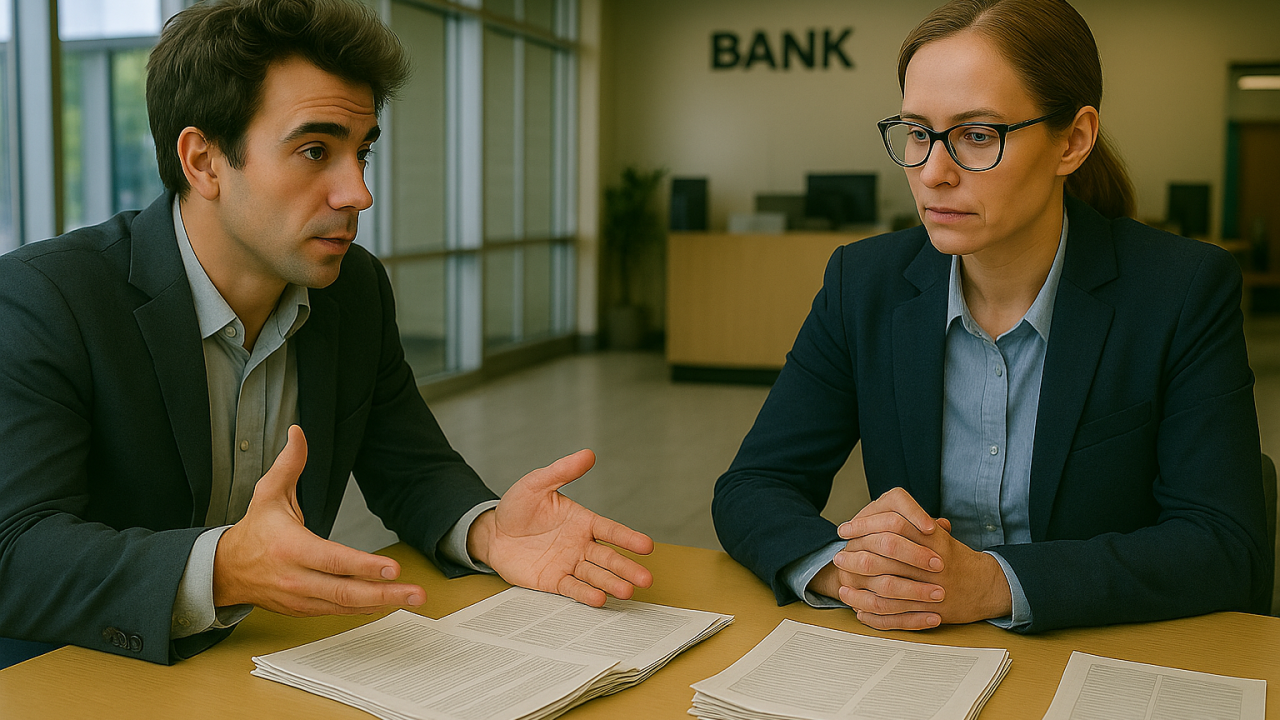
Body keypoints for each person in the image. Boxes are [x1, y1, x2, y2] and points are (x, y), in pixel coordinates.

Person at [0, 0, 652, 667]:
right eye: (315, 151)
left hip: (264, 663)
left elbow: (411, 467)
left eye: (360, 153)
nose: (357, 193)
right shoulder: (46, 299)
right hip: (74, 673)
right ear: (203, 161)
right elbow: (14, 550)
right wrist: (223, 566)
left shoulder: (352, 290)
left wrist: (488, 531)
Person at [713, 0, 1271, 633]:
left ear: (1074, 140)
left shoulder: (1181, 290)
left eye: (978, 135)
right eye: (919, 132)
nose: (933, 173)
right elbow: (753, 485)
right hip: (923, 655)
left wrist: (994, 585)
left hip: (1105, 652)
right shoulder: (863, 283)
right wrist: (852, 573)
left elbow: (1225, 545)